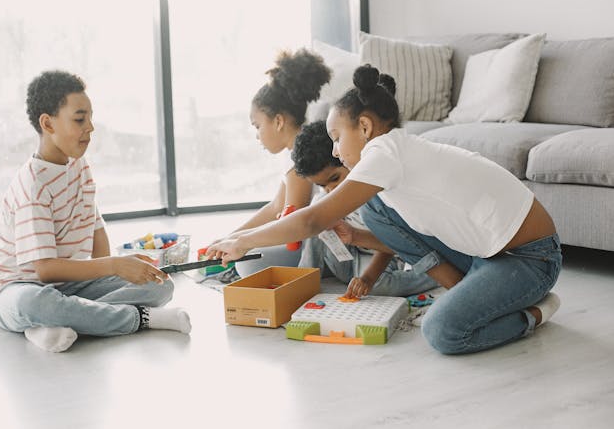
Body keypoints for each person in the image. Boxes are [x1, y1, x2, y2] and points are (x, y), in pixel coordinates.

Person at [209, 64, 562, 355]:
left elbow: (314, 218)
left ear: (364, 127)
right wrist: (356, 236)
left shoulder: (385, 153)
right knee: (376, 208)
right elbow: (391, 233)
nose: (334, 151)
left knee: (442, 331)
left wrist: (242, 241)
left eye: (336, 137)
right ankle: (468, 292)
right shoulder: (389, 164)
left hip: (529, 258)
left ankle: (533, 311)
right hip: (483, 253)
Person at [0, 70, 191, 353]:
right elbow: (45, 270)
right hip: (16, 291)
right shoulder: (33, 184)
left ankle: (54, 324)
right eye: (80, 119)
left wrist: (116, 271)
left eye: (90, 118)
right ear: (48, 123)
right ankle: (141, 319)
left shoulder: (79, 166)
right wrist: (115, 266)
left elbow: (96, 228)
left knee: (160, 284)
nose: (91, 127)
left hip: (71, 286)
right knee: (38, 304)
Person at [216, 48, 332, 276]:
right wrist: (231, 237)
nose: (257, 136)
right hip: (302, 234)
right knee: (244, 253)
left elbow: (292, 225)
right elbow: (277, 207)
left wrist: (242, 243)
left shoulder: (301, 154)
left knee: (248, 263)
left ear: (278, 121)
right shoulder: (291, 153)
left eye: (257, 126)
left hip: (313, 241)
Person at [292, 119, 436, 298]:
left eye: (335, 179)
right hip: (353, 260)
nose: (331, 190)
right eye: (322, 186)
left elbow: (391, 245)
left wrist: (368, 278)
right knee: (316, 222)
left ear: (345, 159)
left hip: (390, 257)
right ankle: (302, 287)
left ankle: (434, 277)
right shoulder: (327, 198)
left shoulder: (378, 194)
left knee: (381, 286)